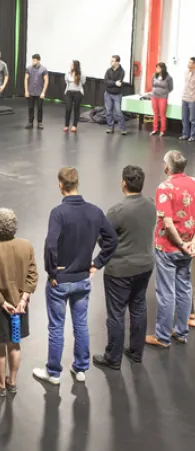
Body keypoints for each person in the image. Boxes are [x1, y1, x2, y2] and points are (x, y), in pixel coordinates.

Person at [33, 168, 117, 385]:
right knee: (81, 325)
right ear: (77, 184)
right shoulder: (95, 212)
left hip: (60, 280)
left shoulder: (58, 213)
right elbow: (112, 240)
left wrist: (52, 272)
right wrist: (97, 264)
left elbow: (50, 245)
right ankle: (80, 369)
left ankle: (53, 372)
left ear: (61, 185)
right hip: (82, 279)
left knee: (56, 327)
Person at [92, 166, 156, 369]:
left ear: (124, 183)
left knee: (116, 313)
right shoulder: (151, 205)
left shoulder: (117, 211)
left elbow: (102, 238)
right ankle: (136, 351)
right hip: (145, 266)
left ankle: (113, 357)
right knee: (138, 307)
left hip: (120, 270)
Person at [0, 208, 38, 396]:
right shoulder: (26, 246)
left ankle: (0, 384)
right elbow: (32, 274)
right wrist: (23, 299)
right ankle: (12, 382)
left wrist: (1, 302)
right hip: (19, 307)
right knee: (14, 344)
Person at [146, 151, 195, 348]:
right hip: (189, 246)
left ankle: (163, 336)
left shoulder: (164, 188)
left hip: (168, 247)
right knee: (184, 287)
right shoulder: (193, 182)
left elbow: (167, 222)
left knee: (166, 291)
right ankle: (182, 332)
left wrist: (180, 245)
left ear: (166, 167)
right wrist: (191, 243)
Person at [104, 55, 127, 135]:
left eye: (113, 61)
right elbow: (106, 82)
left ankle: (123, 128)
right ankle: (110, 127)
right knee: (108, 111)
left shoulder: (121, 71)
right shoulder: (108, 71)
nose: (111, 62)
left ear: (117, 62)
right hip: (108, 94)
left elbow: (119, 83)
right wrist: (114, 83)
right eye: (111, 61)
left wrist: (112, 83)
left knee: (118, 112)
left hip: (117, 94)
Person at [24, 54, 49, 130]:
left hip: (39, 92)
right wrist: (26, 90)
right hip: (31, 91)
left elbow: (46, 81)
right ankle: (30, 122)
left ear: (38, 60)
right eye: (32, 60)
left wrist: (43, 92)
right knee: (30, 107)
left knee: (39, 108)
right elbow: (26, 79)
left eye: (34, 60)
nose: (33, 61)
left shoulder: (43, 69)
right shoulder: (29, 68)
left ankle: (39, 122)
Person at [150, 63, 173, 137]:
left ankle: (162, 130)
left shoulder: (168, 77)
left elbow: (171, 87)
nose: (157, 69)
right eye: (156, 68)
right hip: (154, 96)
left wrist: (164, 93)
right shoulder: (154, 75)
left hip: (162, 97)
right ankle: (155, 129)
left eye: (158, 68)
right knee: (155, 113)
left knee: (162, 114)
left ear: (163, 69)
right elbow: (152, 84)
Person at [63, 60, 86, 133]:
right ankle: (66, 125)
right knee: (68, 108)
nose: (70, 66)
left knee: (76, 108)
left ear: (75, 66)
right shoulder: (68, 73)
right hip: (69, 92)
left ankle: (74, 126)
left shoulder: (81, 74)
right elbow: (66, 81)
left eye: (72, 65)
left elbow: (83, 82)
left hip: (78, 92)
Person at [179, 57, 195, 142]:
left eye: (190, 63)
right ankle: (185, 134)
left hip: (192, 99)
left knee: (193, 119)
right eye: (188, 62)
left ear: (194, 64)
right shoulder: (186, 72)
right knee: (184, 118)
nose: (188, 64)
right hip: (184, 98)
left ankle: (193, 136)